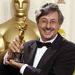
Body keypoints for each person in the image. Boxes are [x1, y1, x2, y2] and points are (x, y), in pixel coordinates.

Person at [1, 3, 75, 75]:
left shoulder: (70, 49)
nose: (48, 26)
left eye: (53, 22)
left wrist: (23, 67)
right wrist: (8, 57)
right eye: (44, 21)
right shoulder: (26, 46)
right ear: (37, 23)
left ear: (59, 25)